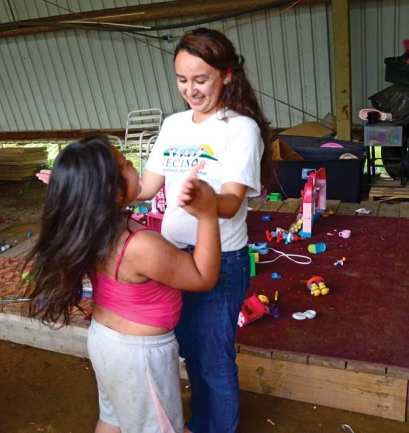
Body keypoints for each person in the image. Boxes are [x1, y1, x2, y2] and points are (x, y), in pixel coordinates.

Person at [25, 135, 222, 433]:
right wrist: (208, 214)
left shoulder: (86, 224)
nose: (133, 166)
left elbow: (114, 195)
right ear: (112, 193)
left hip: (104, 340)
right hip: (139, 355)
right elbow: (203, 277)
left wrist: (75, 188)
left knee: (113, 418)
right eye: (127, 164)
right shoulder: (141, 246)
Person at [138, 28, 272, 433]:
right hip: (174, 257)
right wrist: (85, 183)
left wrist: (207, 204)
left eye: (201, 80)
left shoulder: (240, 129)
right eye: (182, 80)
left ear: (226, 74)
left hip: (222, 260)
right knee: (191, 352)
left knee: (214, 359)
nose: (190, 90)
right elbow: (145, 187)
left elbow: (231, 204)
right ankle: (203, 423)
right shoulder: (174, 125)